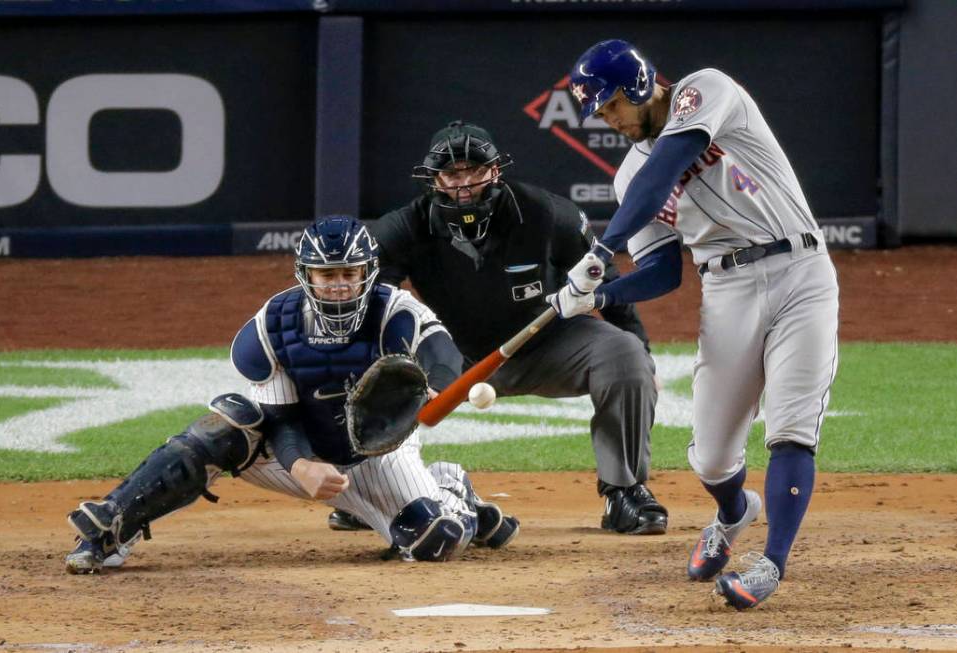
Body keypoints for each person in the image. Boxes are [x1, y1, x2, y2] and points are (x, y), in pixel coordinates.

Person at [64, 215, 519, 574]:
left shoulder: (396, 311)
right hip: (299, 453)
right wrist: (301, 466)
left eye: (350, 273)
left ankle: (450, 489)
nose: (340, 284)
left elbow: (444, 356)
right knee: (229, 422)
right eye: (328, 274)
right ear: (307, 275)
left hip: (382, 454)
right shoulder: (273, 324)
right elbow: (279, 419)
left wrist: (437, 388)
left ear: (368, 272)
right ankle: (112, 524)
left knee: (432, 542)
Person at [554, 39, 840, 609]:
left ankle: (770, 565)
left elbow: (666, 168)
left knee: (790, 426)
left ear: (639, 85)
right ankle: (734, 512)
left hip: (801, 271)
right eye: (599, 112)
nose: (608, 121)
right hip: (726, 290)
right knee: (710, 457)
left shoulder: (705, 89)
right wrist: (596, 297)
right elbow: (662, 271)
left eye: (611, 105)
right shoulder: (626, 177)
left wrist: (602, 249)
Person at [335, 120, 668, 537]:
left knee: (624, 356)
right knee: (371, 363)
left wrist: (643, 351)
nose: (465, 184)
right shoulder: (405, 228)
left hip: (547, 343)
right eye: (453, 174)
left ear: (495, 171)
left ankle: (625, 493)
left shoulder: (546, 214)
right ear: (434, 178)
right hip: (452, 355)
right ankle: (375, 490)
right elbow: (369, 300)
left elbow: (606, 280)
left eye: (475, 171)